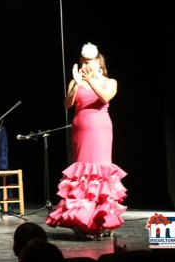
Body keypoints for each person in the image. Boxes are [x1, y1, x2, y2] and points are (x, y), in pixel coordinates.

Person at [46, 42, 127, 238]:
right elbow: (68, 104)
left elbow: (105, 97)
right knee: (83, 173)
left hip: (100, 130)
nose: (85, 64)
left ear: (98, 61)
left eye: (88, 61)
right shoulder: (76, 81)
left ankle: (101, 220)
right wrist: (76, 84)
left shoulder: (110, 82)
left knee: (98, 172)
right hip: (80, 130)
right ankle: (82, 221)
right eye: (82, 61)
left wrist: (91, 81)